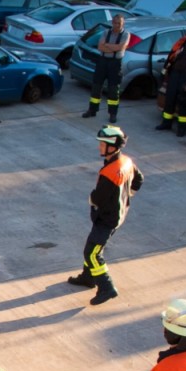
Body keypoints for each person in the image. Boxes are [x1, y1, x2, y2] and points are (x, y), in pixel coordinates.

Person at [67, 125, 143, 305]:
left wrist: (92, 200)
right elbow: (139, 179)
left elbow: (98, 198)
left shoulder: (111, 172)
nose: (99, 147)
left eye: (103, 144)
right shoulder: (126, 162)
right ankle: (88, 277)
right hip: (115, 215)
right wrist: (127, 195)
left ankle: (107, 287)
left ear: (113, 146)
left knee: (92, 253)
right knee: (93, 246)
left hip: (107, 219)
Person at [156, 22, 186, 137]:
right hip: (175, 74)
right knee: (170, 100)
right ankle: (166, 123)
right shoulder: (182, 42)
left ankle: (181, 129)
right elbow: (171, 57)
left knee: (184, 104)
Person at [82, 14, 130, 123]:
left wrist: (107, 45)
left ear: (123, 24)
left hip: (115, 63)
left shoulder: (126, 34)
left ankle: (113, 114)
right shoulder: (106, 32)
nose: (116, 25)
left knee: (113, 90)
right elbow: (100, 47)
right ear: (112, 23)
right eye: (115, 23)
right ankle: (92, 110)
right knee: (96, 87)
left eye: (119, 23)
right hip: (102, 62)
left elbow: (121, 47)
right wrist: (114, 48)